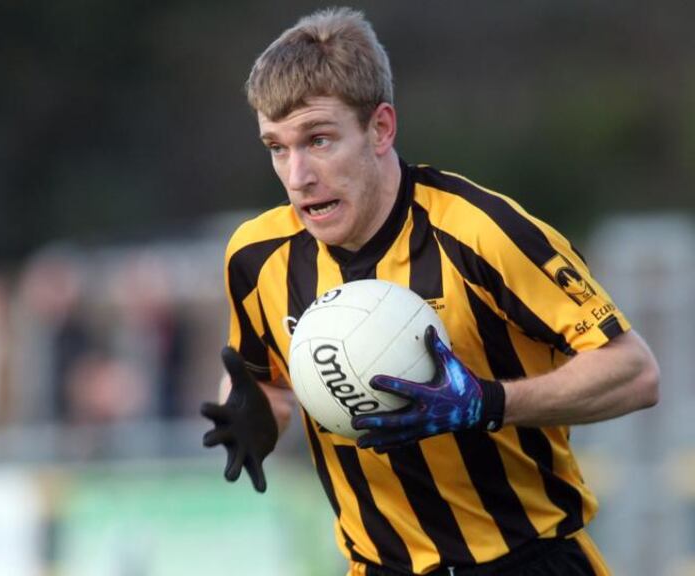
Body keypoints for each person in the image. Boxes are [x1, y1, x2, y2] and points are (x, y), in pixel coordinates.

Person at [200, 8, 660, 576]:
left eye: (318, 140)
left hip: (529, 560)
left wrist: (488, 403)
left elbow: (635, 373)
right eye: (277, 147)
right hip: (377, 567)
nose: (298, 176)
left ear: (381, 128)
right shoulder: (256, 257)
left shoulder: (481, 234)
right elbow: (263, 384)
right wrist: (251, 416)